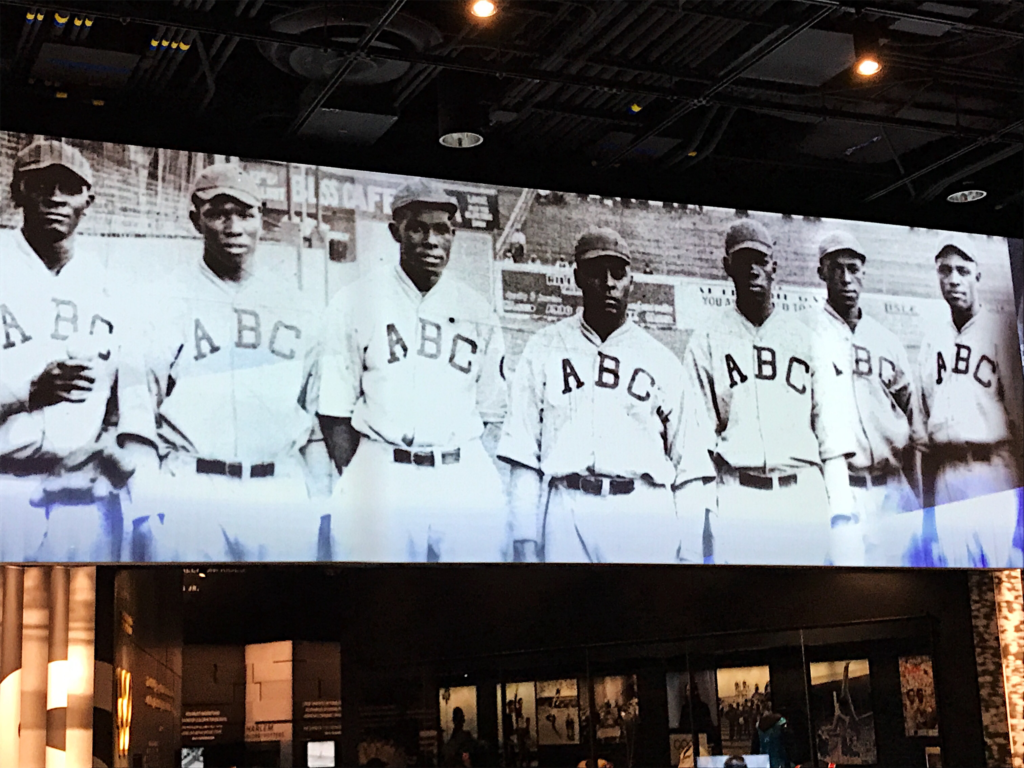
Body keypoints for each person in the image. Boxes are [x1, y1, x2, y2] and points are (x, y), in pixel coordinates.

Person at [117, 164, 331, 561]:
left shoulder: (300, 307)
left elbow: (315, 426)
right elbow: (137, 423)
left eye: (245, 214)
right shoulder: (159, 302)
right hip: (192, 489)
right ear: (195, 219)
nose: (233, 226)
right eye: (218, 213)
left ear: (261, 220)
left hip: (278, 490)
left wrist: (321, 506)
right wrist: (145, 511)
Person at [317, 179, 508, 562]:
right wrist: (362, 474)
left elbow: (490, 410)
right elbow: (334, 412)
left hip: (459, 472)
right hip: (385, 467)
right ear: (396, 231)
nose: (431, 240)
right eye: (418, 228)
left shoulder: (477, 310)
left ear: (454, 235)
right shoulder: (354, 301)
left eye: (442, 230)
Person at [498, 227, 714, 563]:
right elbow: (524, 455)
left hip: (643, 508)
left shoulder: (661, 359)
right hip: (567, 507)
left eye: (618, 273)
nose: (609, 283)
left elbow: (689, 466)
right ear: (577, 278)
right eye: (597, 273)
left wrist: (690, 550)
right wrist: (524, 537)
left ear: (632, 281)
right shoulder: (543, 347)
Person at [682, 219, 856, 565]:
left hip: (803, 494)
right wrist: (701, 516)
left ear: (774, 266)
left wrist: (841, 515)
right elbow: (697, 439)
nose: (753, 270)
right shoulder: (707, 339)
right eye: (743, 261)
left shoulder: (807, 338)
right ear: (727, 267)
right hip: (738, 495)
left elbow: (831, 434)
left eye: (760, 261)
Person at [0, 139, 129, 561]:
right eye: (41, 185)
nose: (54, 198)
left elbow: (122, 397)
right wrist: (26, 395)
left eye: (68, 187)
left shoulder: (109, 286)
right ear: (17, 190)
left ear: (87, 200)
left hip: (79, 490)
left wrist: (109, 441)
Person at [810, 230, 924, 565]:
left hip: (892, 487)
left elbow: (912, 419)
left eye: (854, 268)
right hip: (842, 488)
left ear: (864, 273)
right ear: (822, 273)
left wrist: (916, 497)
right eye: (836, 268)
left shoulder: (885, 340)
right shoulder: (807, 332)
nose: (846, 278)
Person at [913, 235, 1024, 567]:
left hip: (992, 471)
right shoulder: (931, 340)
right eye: (945, 271)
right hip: (948, 474)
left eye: (962, 270)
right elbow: (924, 442)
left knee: (1003, 575)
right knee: (957, 579)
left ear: (978, 276)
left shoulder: (1000, 331)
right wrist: (927, 515)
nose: (953, 280)